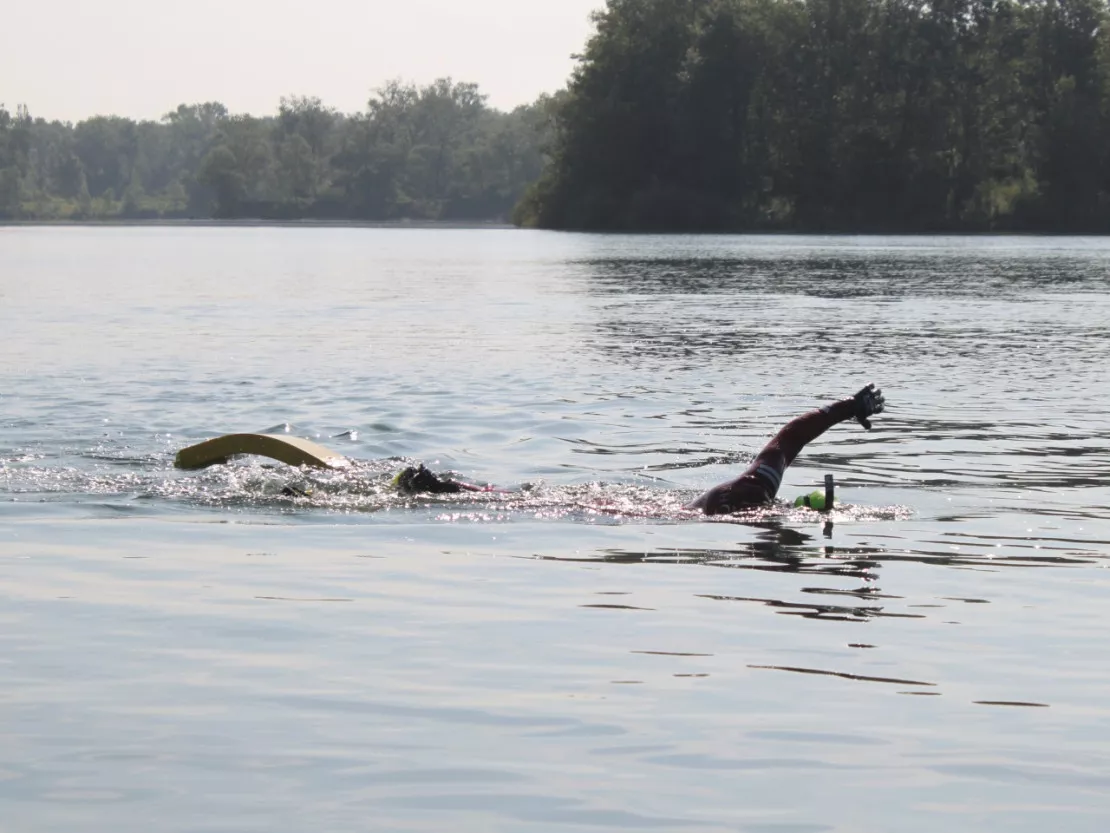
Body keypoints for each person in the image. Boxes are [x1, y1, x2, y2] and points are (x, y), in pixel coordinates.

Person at [393, 384, 886, 514]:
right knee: (532, 503)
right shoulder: (755, 495)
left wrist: (847, 407)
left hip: (665, 509)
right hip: (663, 514)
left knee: (540, 501)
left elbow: (787, 439)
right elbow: (787, 440)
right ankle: (441, 486)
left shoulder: (760, 494)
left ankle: (442, 486)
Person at [684, 384, 885, 515]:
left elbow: (791, 437)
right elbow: (792, 437)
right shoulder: (756, 490)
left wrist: (847, 407)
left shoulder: (758, 486)